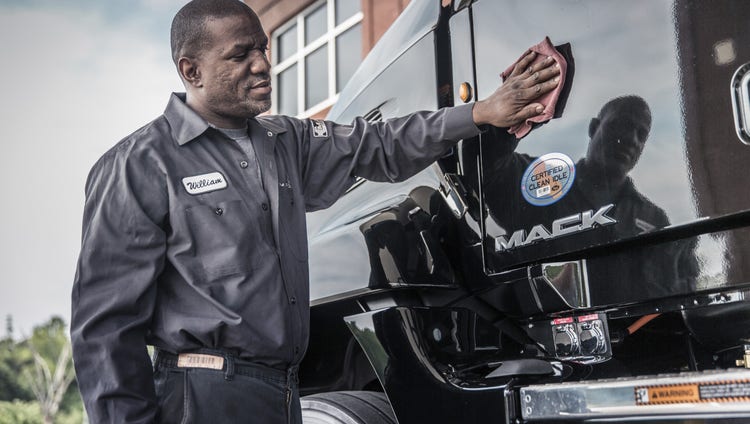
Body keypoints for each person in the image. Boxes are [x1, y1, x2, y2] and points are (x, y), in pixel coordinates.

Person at [70, 0, 560, 422]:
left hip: (283, 393)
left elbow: (383, 143)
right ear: (191, 70)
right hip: (199, 397)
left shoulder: (288, 140)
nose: (263, 64)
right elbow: (106, 328)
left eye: (262, 48)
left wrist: (480, 113)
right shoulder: (139, 165)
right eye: (240, 54)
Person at [483, 95, 698, 304]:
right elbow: (489, 162)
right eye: (621, 125)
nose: (632, 139)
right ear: (594, 128)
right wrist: (519, 104)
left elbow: (679, 292)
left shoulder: (654, 219)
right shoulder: (542, 182)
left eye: (641, 134)